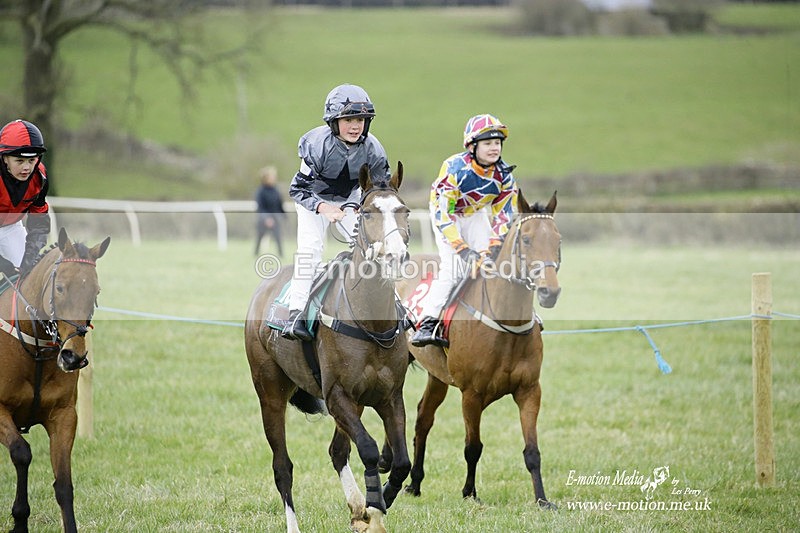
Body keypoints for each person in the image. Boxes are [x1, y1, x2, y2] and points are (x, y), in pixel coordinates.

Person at [282, 84, 391, 341]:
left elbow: (379, 190)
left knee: (375, 246)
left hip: (351, 200)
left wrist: (356, 205)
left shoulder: (374, 148)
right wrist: (324, 208)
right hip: (314, 201)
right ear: (334, 121)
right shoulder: (316, 145)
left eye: (361, 120)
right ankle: (296, 313)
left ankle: (395, 304)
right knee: (310, 249)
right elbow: (298, 190)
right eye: (349, 119)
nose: (356, 126)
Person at [410, 113, 519, 348]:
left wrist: (492, 247)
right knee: (453, 267)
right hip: (446, 215)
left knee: (491, 264)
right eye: (488, 143)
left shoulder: (505, 176)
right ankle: (427, 322)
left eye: (497, 143)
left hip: (476, 213)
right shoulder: (454, 168)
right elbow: (443, 215)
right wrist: (461, 248)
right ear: (472, 146)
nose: (494, 148)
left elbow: (503, 215)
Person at [0, 119, 51, 281]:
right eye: (19, 161)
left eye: (32, 160)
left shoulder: (40, 177)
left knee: (30, 277)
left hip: (11, 228)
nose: (27, 168)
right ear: (4, 158)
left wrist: (31, 255)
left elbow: (39, 222)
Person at [254, 165, 286, 257]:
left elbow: (279, 204)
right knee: (260, 236)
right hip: (264, 218)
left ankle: (281, 254)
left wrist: (283, 215)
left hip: (276, 217)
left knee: (278, 237)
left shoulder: (276, 190)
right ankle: (256, 253)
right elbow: (261, 207)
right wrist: (267, 218)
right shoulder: (260, 191)